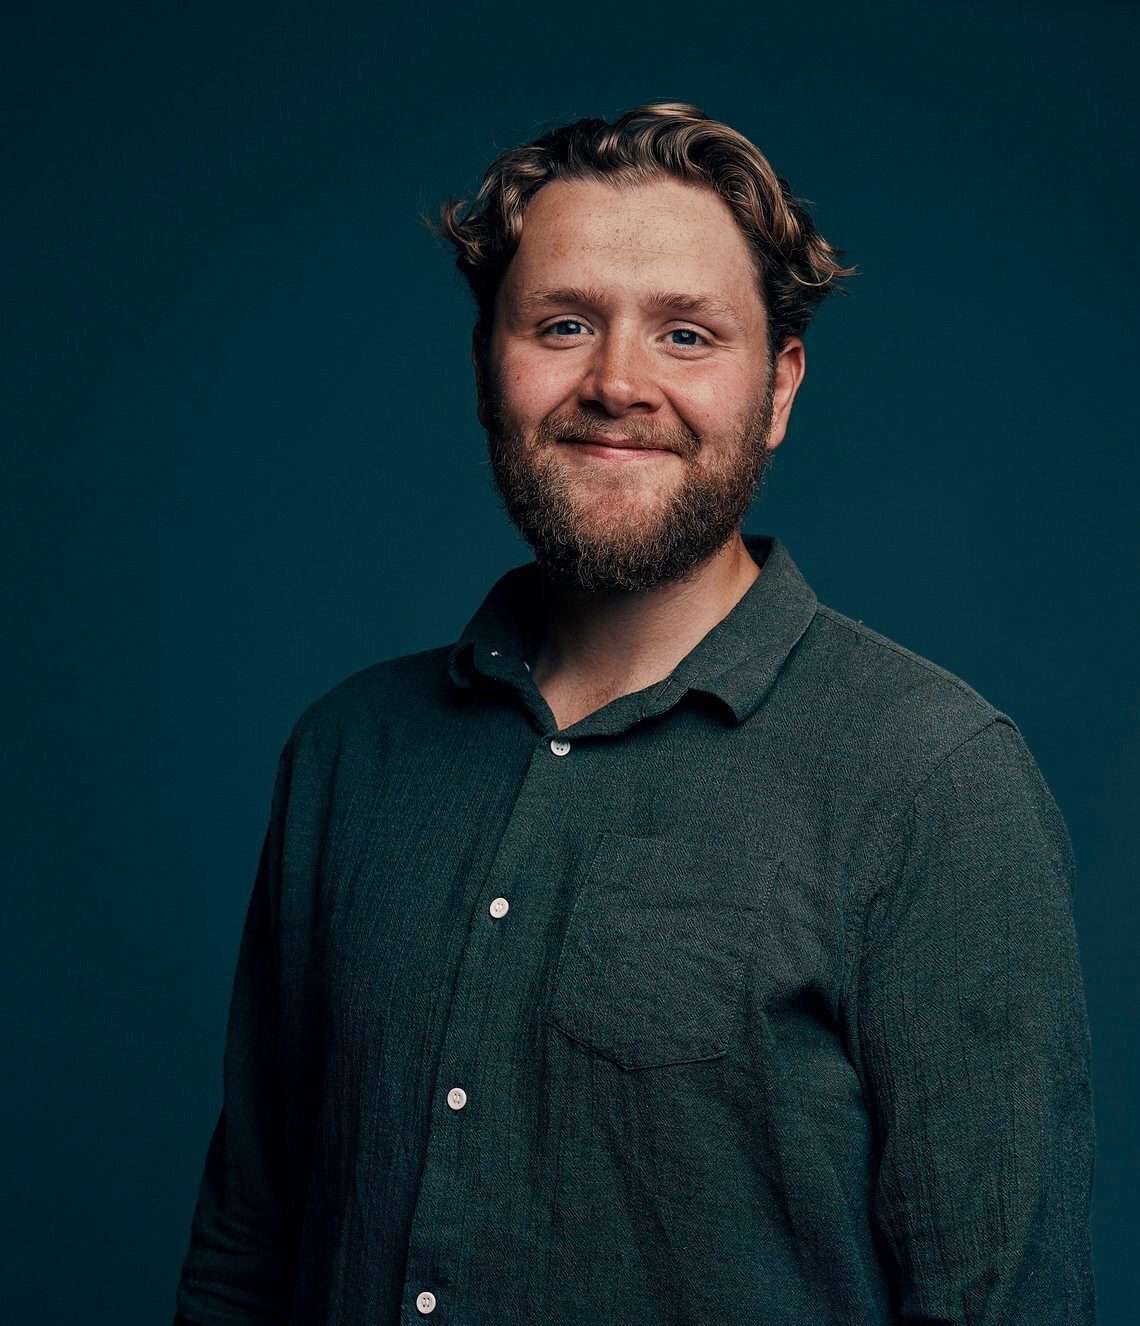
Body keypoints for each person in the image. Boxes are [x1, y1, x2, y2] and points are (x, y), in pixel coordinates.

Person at [173, 102, 1096, 1325]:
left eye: (687, 335)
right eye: (563, 325)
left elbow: (1003, 1300)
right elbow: (246, 1252)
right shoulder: (347, 753)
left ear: (779, 388)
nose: (617, 383)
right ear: (486, 366)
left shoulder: (934, 779)